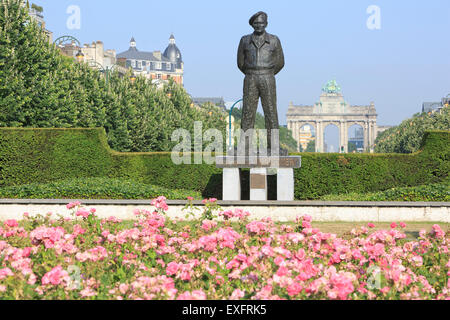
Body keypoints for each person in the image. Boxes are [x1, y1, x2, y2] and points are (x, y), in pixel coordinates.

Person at [237, 11, 285, 156]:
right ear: (252, 25)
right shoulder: (245, 40)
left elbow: (280, 62)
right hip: (250, 77)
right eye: (256, 23)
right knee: (247, 112)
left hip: (268, 77)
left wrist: (268, 73)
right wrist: (252, 72)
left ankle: (274, 147)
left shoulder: (274, 40)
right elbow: (240, 63)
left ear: (266, 24)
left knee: (270, 112)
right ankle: (244, 147)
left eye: (262, 23)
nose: (259, 25)